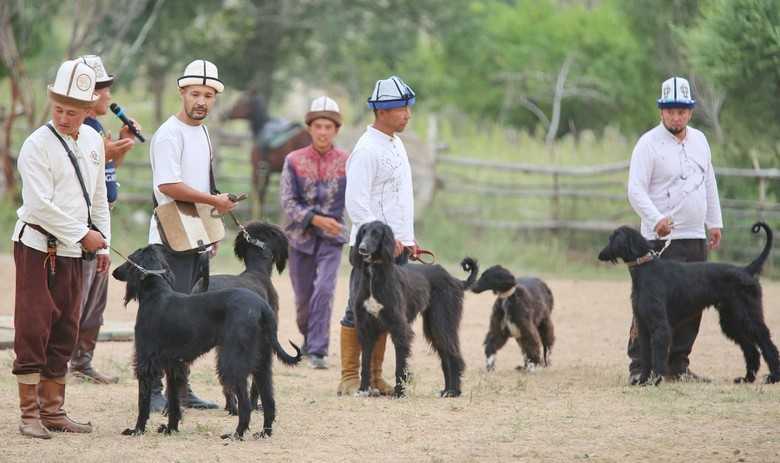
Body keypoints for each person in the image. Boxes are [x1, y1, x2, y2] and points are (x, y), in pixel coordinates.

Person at [11, 59, 110, 438]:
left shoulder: (92, 142)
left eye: (73, 111)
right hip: (37, 245)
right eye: (59, 110)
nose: (65, 118)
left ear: (88, 110)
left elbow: (97, 197)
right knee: (34, 325)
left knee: (67, 326)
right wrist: (82, 233)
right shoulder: (36, 145)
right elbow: (38, 205)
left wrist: (103, 242)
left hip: (75, 250)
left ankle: (54, 410)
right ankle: (29, 414)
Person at [147, 59, 236, 411]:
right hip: (169, 239)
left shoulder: (202, 133)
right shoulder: (169, 134)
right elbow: (167, 185)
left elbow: (203, 184)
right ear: (182, 93)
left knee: (188, 318)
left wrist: (212, 226)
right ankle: (153, 390)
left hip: (195, 236)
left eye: (208, 95)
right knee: (164, 316)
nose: (201, 101)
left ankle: (180, 389)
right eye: (195, 94)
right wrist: (212, 201)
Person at [626, 76, 723, 383]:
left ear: (690, 112)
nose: (676, 116)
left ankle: (677, 365)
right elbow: (635, 190)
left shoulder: (700, 141)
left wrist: (714, 221)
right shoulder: (648, 144)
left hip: (695, 237)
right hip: (661, 242)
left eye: (682, 110)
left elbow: (709, 182)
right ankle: (639, 366)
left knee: (692, 302)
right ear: (661, 111)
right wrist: (656, 219)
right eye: (670, 110)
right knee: (650, 305)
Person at [338, 76, 419, 395]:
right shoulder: (366, 149)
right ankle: (348, 376)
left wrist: (408, 238)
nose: (408, 114)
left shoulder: (396, 143)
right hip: (370, 248)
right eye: (402, 109)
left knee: (389, 308)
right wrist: (385, 239)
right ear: (383, 111)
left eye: (408, 108)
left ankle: (373, 376)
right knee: (356, 308)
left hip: (396, 246)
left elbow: (399, 197)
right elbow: (357, 203)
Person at [69, 54, 140, 384]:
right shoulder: (77, 129)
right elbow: (80, 175)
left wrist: (120, 147)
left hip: (102, 218)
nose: (108, 96)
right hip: (81, 224)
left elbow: (108, 173)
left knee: (96, 295)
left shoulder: (97, 127)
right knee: (77, 294)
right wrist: (106, 153)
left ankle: (83, 360)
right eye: (102, 89)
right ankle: (61, 359)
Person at [280, 96, 348, 369]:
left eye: (328, 127)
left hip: (333, 239)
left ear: (336, 130)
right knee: (303, 301)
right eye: (318, 126)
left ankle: (319, 350)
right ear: (310, 128)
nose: (322, 131)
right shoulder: (293, 160)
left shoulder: (347, 161)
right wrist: (316, 220)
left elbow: (356, 197)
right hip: (299, 239)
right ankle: (309, 339)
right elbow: (287, 201)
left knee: (325, 289)